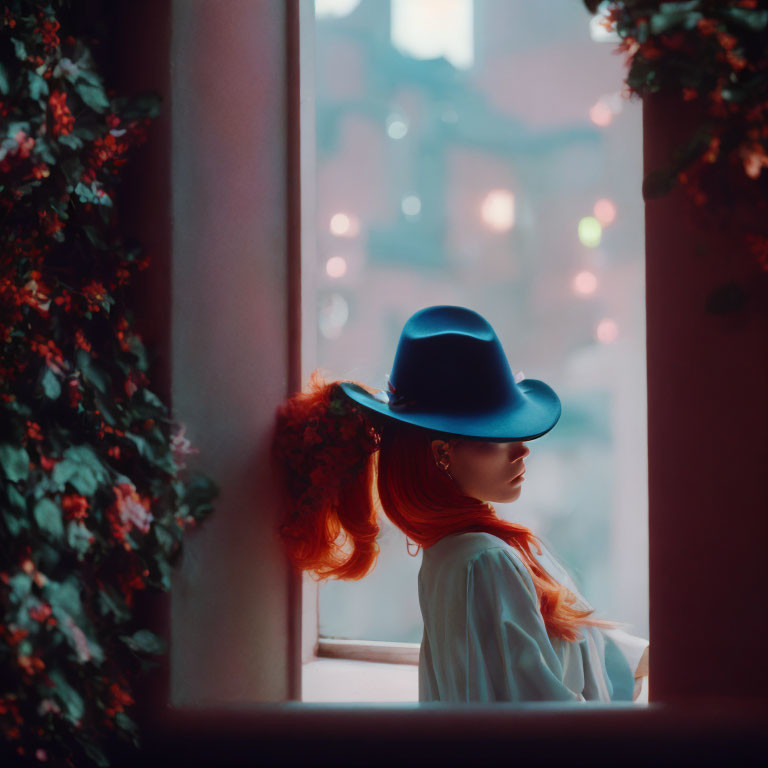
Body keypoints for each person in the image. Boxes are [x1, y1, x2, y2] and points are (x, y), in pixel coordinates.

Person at [271, 304, 649, 704]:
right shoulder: (486, 561)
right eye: (497, 435)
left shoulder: (455, 555)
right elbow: (543, 718)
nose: (522, 449)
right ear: (442, 454)